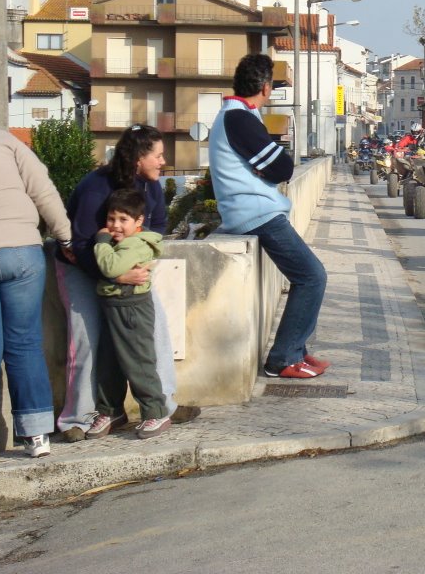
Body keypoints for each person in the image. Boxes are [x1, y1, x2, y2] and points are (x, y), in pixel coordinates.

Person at [55, 125, 199, 442]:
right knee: (87, 338)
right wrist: (117, 274)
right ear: (137, 157)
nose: (163, 161)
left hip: (128, 269)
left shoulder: (151, 186)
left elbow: (158, 224)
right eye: (158, 155)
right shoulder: (96, 187)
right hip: (82, 268)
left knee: (155, 329)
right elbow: (78, 245)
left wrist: (141, 252)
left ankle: (164, 406)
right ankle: (78, 418)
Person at [209, 53, 330, 379]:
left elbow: (271, 167)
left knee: (308, 276)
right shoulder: (240, 119)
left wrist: (263, 167)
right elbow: (282, 168)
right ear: (265, 87)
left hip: (251, 210)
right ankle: (283, 359)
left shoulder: (233, 116)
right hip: (256, 213)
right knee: (312, 276)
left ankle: (298, 350)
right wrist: (266, 168)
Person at [0, 113, 71, 469]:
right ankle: (37, 436)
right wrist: (65, 236)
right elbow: (42, 189)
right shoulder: (3, 140)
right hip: (24, 251)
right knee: (25, 342)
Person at [88, 189, 171, 440]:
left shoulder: (136, 244)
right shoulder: (121, 244)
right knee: (108, 363)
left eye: (123, 220)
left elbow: (109, 265)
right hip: (113, 308)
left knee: (138, 362)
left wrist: (101, 241)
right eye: (111, 219)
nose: (115, 226)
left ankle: (155, 411)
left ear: (138, 222)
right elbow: (114, 270)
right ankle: (110, 410)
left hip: (131, 308)